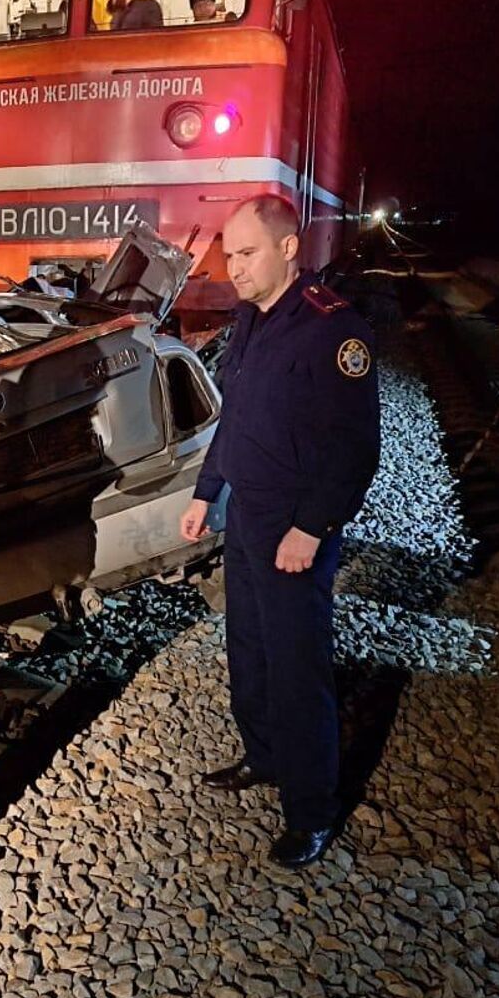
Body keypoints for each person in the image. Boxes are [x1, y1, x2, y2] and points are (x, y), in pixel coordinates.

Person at [179, 194, 380, 868]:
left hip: (295, 530)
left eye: (246, 253)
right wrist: (207, 494)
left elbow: (354, 449)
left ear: (289, 249)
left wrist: (312, 528)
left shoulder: (332, 329)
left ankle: (311, 811)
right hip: (246, 521)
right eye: (228, 254)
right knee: (250, 652)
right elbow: (235, 421)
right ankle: (264, 758)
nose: (232, 267)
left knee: (298, 671)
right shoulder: (250, 321)